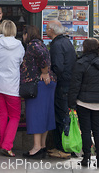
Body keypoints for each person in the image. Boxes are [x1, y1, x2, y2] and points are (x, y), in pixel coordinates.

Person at [68, 38, 99, 169]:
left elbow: (75, 85)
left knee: (86, 130)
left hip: (84, 102)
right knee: (98, 129)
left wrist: (71, 103)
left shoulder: (81, 63)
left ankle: (86, 157)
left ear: (85, 48)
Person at [0, 20, 25, 157]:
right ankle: (7, 145)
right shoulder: (19, 46)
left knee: (1, 114)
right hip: (12, 86)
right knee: (14, 116)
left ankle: (4, 144)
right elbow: (20, 62)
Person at [20, 25, 57, 159]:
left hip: (38, 85)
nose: (22, 37)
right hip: (47, 85)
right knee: (45, 115)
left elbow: (42, 57)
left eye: (23, 34)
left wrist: (44, 72)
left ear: (27, 34)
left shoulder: (32, 45)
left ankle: (36, 148)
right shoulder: (41, 44)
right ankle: (42, 145)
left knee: (35, 115)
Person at [47, 19, 76, 159]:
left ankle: (62, 148)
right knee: (65, 115)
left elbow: (58, 67)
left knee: (60, 116)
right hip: (68, 84)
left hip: (62, 85)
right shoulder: (66, 42)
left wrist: (49, 74)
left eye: (47, 28)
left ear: (52, 31)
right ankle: (64, 147)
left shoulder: (56, 45)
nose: (46, 31)